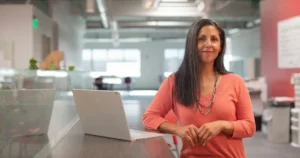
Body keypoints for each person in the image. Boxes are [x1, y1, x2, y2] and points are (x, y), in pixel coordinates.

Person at [142, 19, 255, 158]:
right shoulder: (175, 82)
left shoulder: (235, 81)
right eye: (201, 39)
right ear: (192, 45)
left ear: (220, 46)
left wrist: (222, 125)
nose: (208, 44)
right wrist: (178, 129)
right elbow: (149, 117)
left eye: (214, 39)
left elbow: (250, 126)